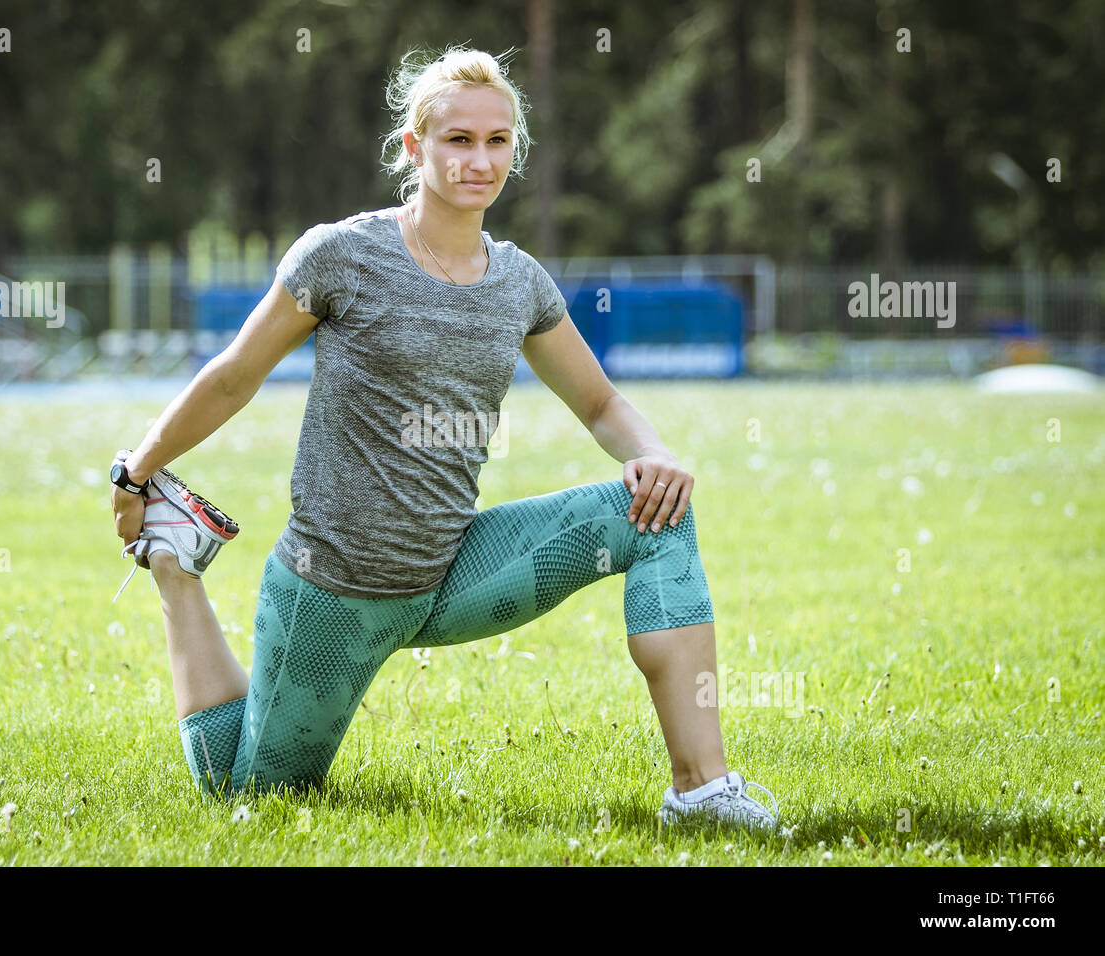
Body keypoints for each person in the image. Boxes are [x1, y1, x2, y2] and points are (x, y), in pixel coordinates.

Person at [109, 45, 778, 830]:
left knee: (658, 515)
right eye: (458, 140)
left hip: (454, 568)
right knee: (257, 799)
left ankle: (700, 793)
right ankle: (172, 561)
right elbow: (233, 374)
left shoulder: (520, 281)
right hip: (335, 588)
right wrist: (137, 468)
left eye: (498, 141)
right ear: (414, 147)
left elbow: (599, 403)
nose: (479, 159)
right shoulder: (341, 255)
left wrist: (653, 454)